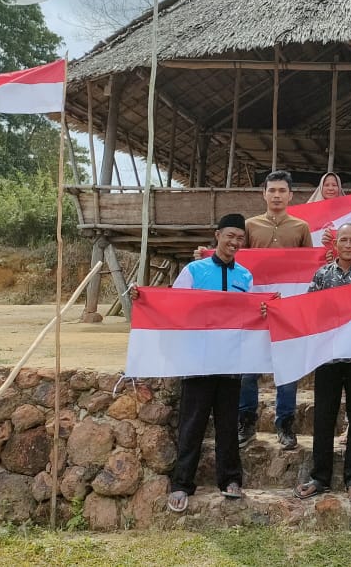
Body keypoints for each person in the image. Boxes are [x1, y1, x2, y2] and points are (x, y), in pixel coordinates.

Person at [128, 214, 253, 513]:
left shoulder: (246, 277)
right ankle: (182, 483)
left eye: (239, 237)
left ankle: (230, 480)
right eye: (230, 235)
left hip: (230, 363)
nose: (234, 242)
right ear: (217, 235)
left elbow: (250, 314)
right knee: (192, 423)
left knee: (226, 424)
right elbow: (173, 304)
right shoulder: (194, 271)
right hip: (197, 361)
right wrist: (143, 296)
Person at [293, 224, 351, 504]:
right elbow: (310, 309)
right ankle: (320, 476)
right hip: (327, 358)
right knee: (323, 417)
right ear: (335, 244)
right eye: (344, 239)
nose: (348, 244)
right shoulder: (322, 275)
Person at [239, 170, 313, 450]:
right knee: (248, 369)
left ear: (290, 195)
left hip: (288, 310)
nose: (277, 195)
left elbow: (309, 268)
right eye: (272, 190)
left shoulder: (301, 227)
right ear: (264, 194)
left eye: (282, 191)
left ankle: (285, 424)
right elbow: (238, 262)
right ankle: (246, 422)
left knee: (287, 368)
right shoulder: (250, 226)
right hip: (254, 309)